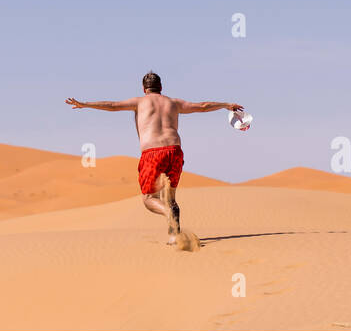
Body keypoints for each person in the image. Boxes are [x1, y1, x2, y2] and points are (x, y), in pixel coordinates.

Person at [65, 71, 243, 244]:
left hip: (153, 152)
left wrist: (85, 104)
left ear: (144, 89)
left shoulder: (139, 102)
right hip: (175, 151)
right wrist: (226, 104)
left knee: (149, 199)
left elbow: (112, 105)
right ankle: (175, 237)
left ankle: (168, 213)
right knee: (170, 198)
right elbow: (202, 106)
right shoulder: (174, 102)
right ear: (161, 87)